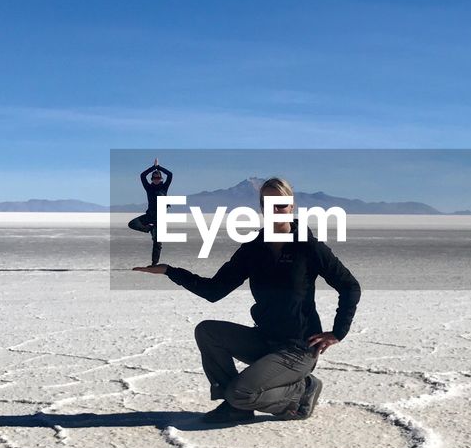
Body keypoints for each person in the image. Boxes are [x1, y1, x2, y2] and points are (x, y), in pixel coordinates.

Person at [133, 177, 361, 423]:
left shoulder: (309, 248)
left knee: (242, 392)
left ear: (292, 206)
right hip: (264, 341)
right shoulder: (253, 250)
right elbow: (214, 290)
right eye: (268, 204)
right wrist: (171, 271)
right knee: (208, 332)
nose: (275, 211)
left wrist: (338, 332)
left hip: (297, 348)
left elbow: (350, 287)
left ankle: (302, 390)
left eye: (281, 205)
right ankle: (235, 407)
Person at [128, 158, 173, 266]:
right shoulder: (148, 187)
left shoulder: (164, 187)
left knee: (157, 242)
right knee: (132, 224)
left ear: (161, 179)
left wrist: (159, 167)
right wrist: (153, 167)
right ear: (152, 179)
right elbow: (142, 175)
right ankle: (149, 228)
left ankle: (154, 264)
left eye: (158, 178)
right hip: (150, 216)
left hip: (160, 218)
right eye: (154, 178)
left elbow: (170, 174)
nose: (156, 180)